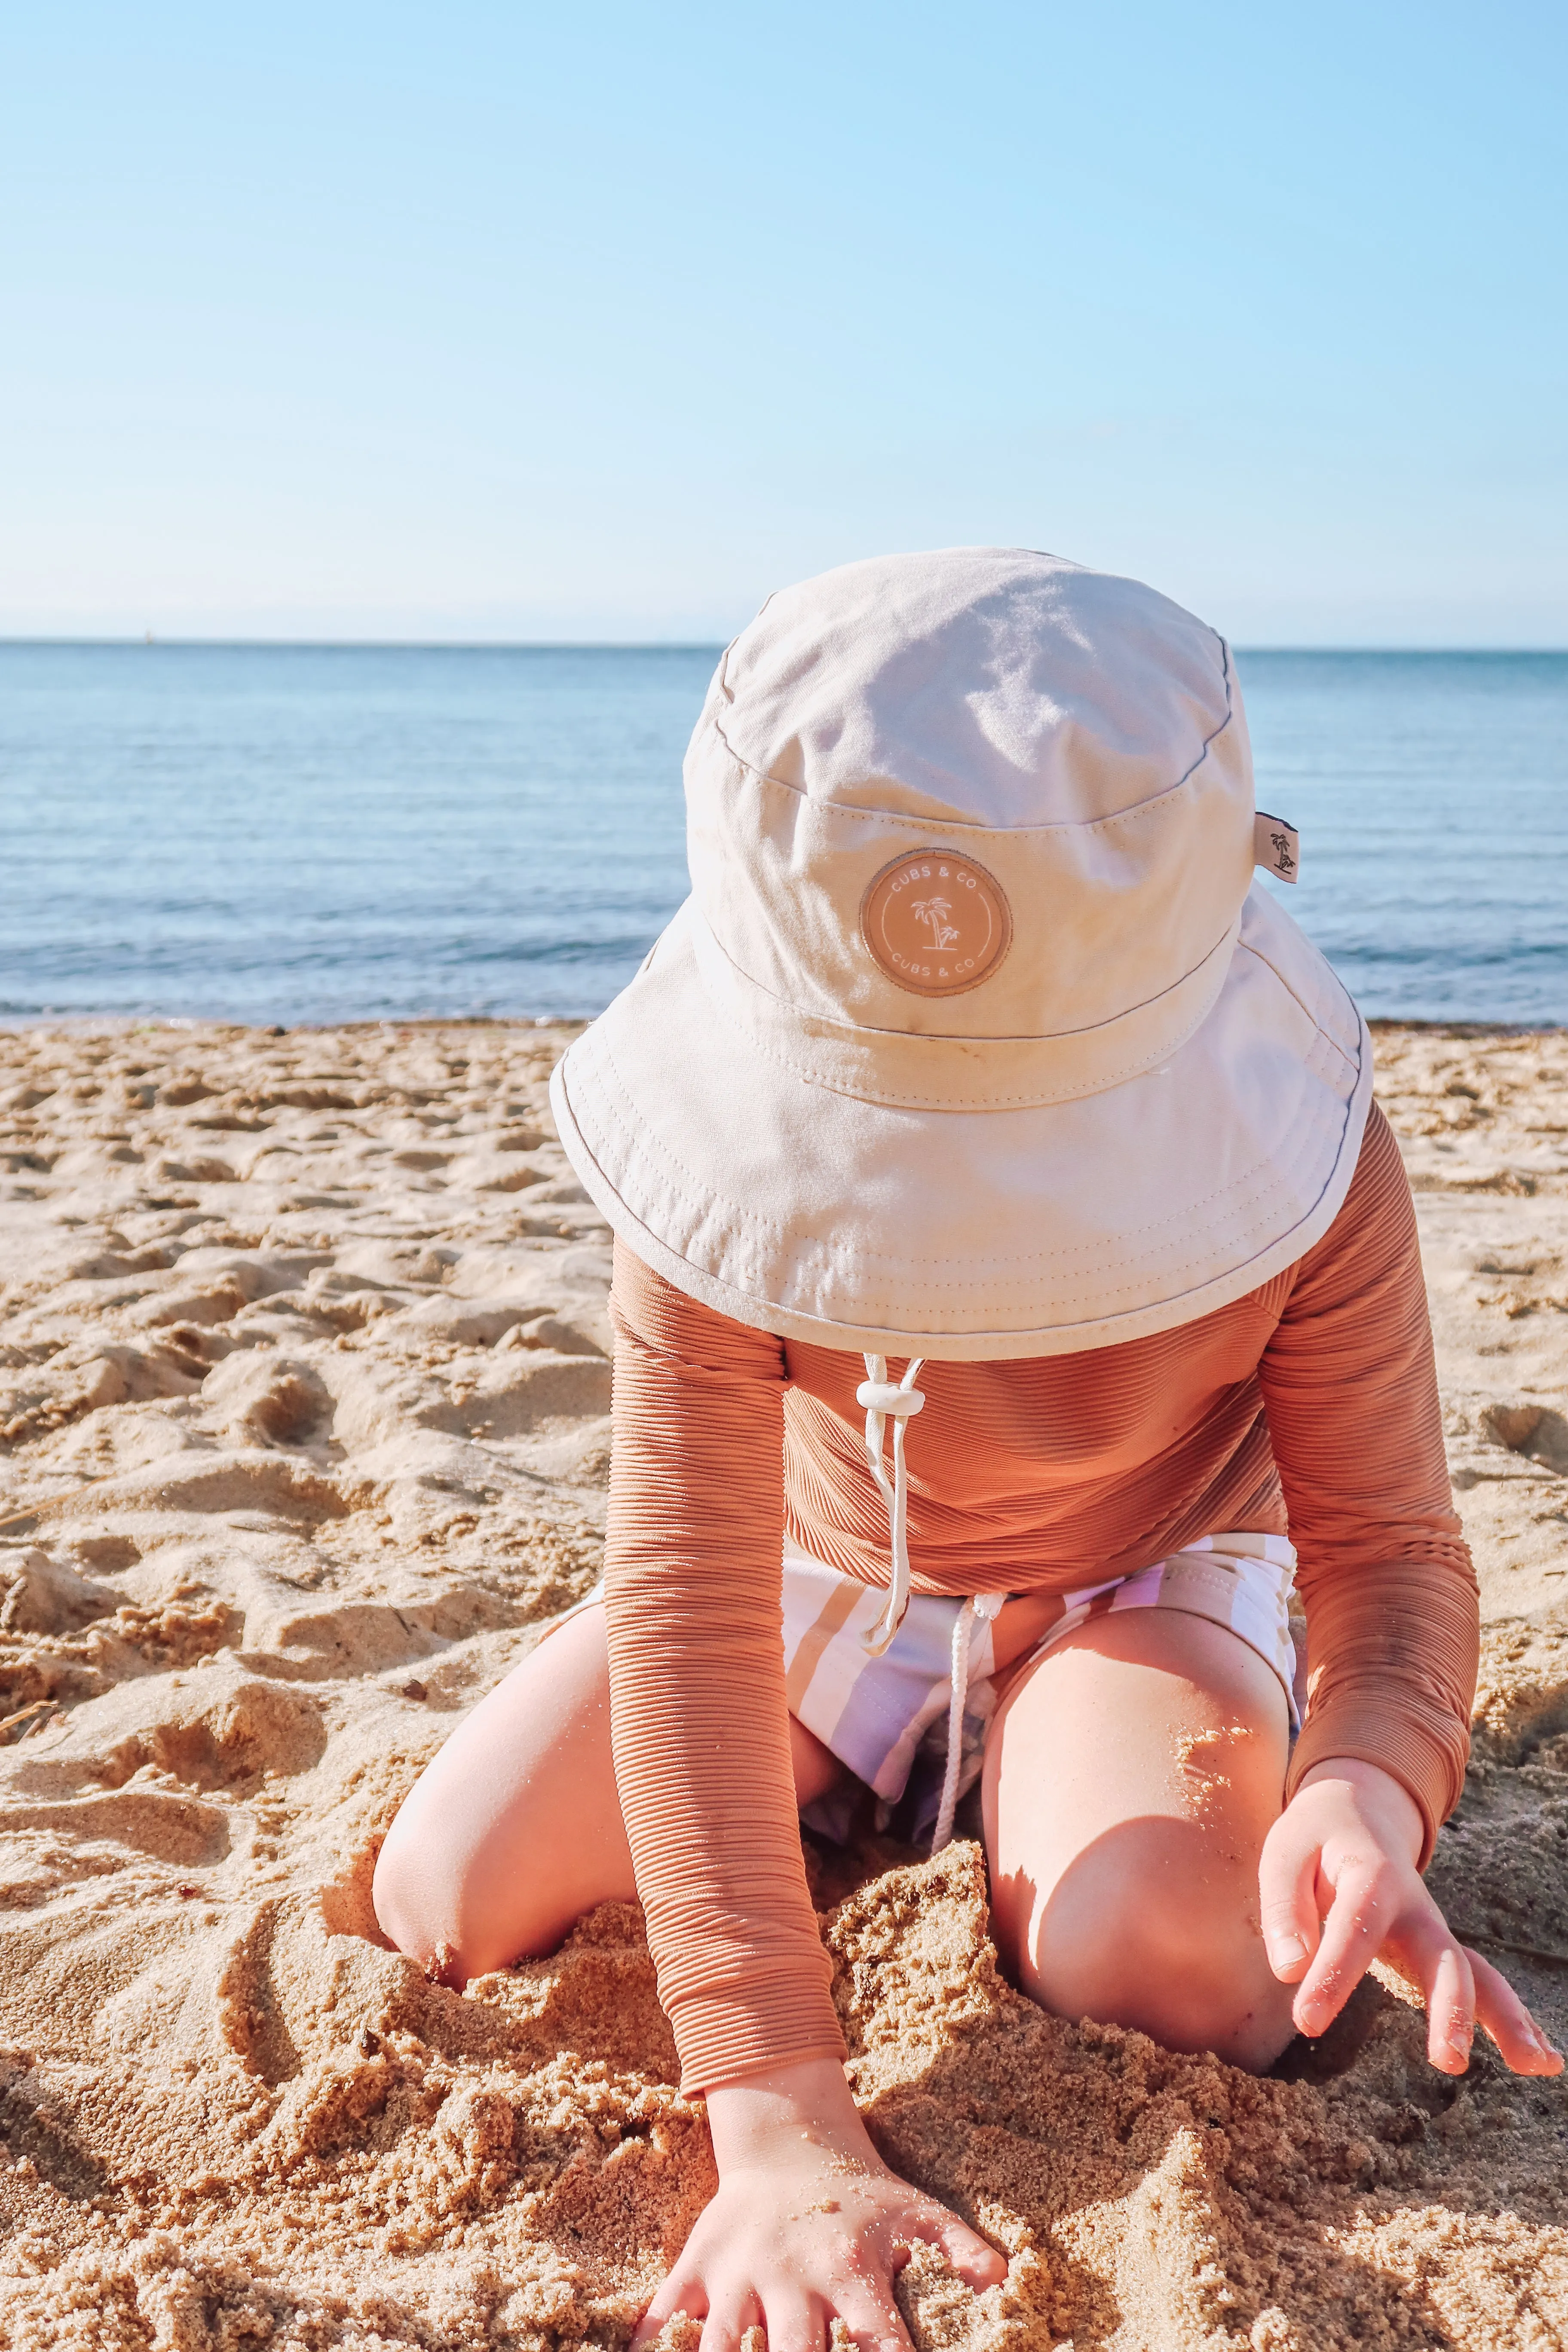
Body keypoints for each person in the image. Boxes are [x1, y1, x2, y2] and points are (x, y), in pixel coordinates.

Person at [374, 550, 1561, 2352]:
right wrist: (773, 2116)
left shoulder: (1312, 1159)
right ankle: (897, 1795)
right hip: (828, 1560)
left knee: (1182, 1975)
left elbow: (1392, 1558)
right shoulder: (715, 1200)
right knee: (446, 1900)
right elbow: (687, 1617)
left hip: (1152, 1579)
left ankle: (1014, 1783)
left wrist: (1361, 1791)